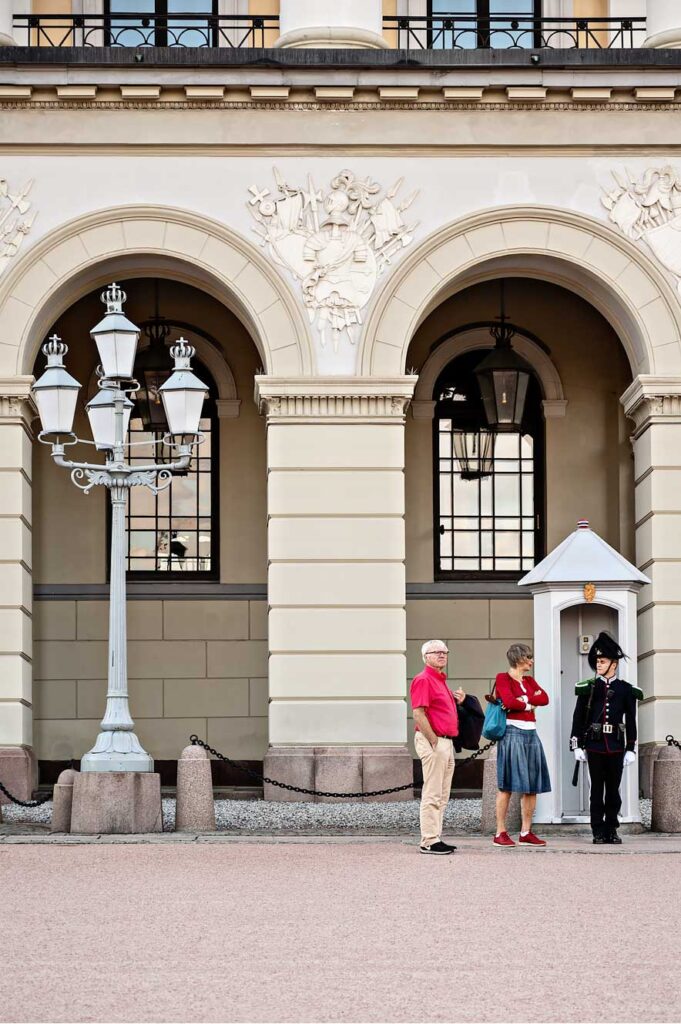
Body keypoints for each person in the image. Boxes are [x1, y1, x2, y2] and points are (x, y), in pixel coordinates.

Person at [570, 631, 642, 845]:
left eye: (602, 661)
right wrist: (576, 745)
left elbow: (631, 720)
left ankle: (612, 828)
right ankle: (597, 830)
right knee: (596, 791)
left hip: (616, 747)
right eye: (597, 661)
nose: (598, 665)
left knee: (613, 791)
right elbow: (578, 718)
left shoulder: (626, 690)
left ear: (614, 664)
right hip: (594, 746)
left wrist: (631, 748)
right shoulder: (589, 688)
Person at [410, 640, 465, 855]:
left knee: (442, 793)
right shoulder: (424, 679)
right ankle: (429, 839)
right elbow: (418, 713)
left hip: (445, 741)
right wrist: (433, 739)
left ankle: (435, 837)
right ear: (426, 657)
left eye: (444, 652)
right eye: (436, 652)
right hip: (435, 740)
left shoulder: (439, 680)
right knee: (433, 792)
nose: (442, 655)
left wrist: (457, 701)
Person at [493, 644, 551, 848]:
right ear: (519, 659)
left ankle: (526, 831)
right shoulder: (503, 678)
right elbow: (508, 701)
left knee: (532, 785)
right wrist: (529, 703)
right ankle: (500, 832)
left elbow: (544, 698)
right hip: (512, 733)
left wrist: (523, 699)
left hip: (531, 733)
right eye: (529, 657)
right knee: (506, 785)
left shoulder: (529, 680)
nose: (532, 661)